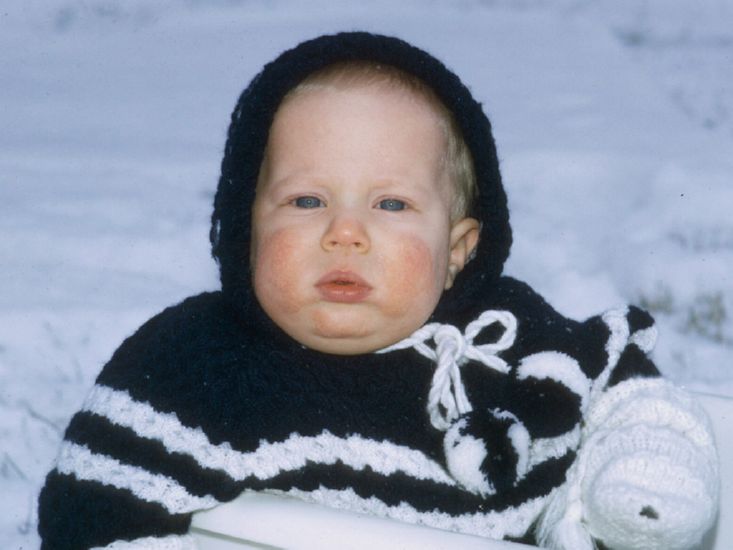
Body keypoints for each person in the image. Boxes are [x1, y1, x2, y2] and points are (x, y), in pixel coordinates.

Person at [38, 32, 719, 550]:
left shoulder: (503, 333)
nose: (345, 233)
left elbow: (625, 392)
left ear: (457, 252)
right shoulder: (198, 370)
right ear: (245, 229)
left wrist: (640, 480)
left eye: (390, 205)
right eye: (306, 200)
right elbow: (96, 510)